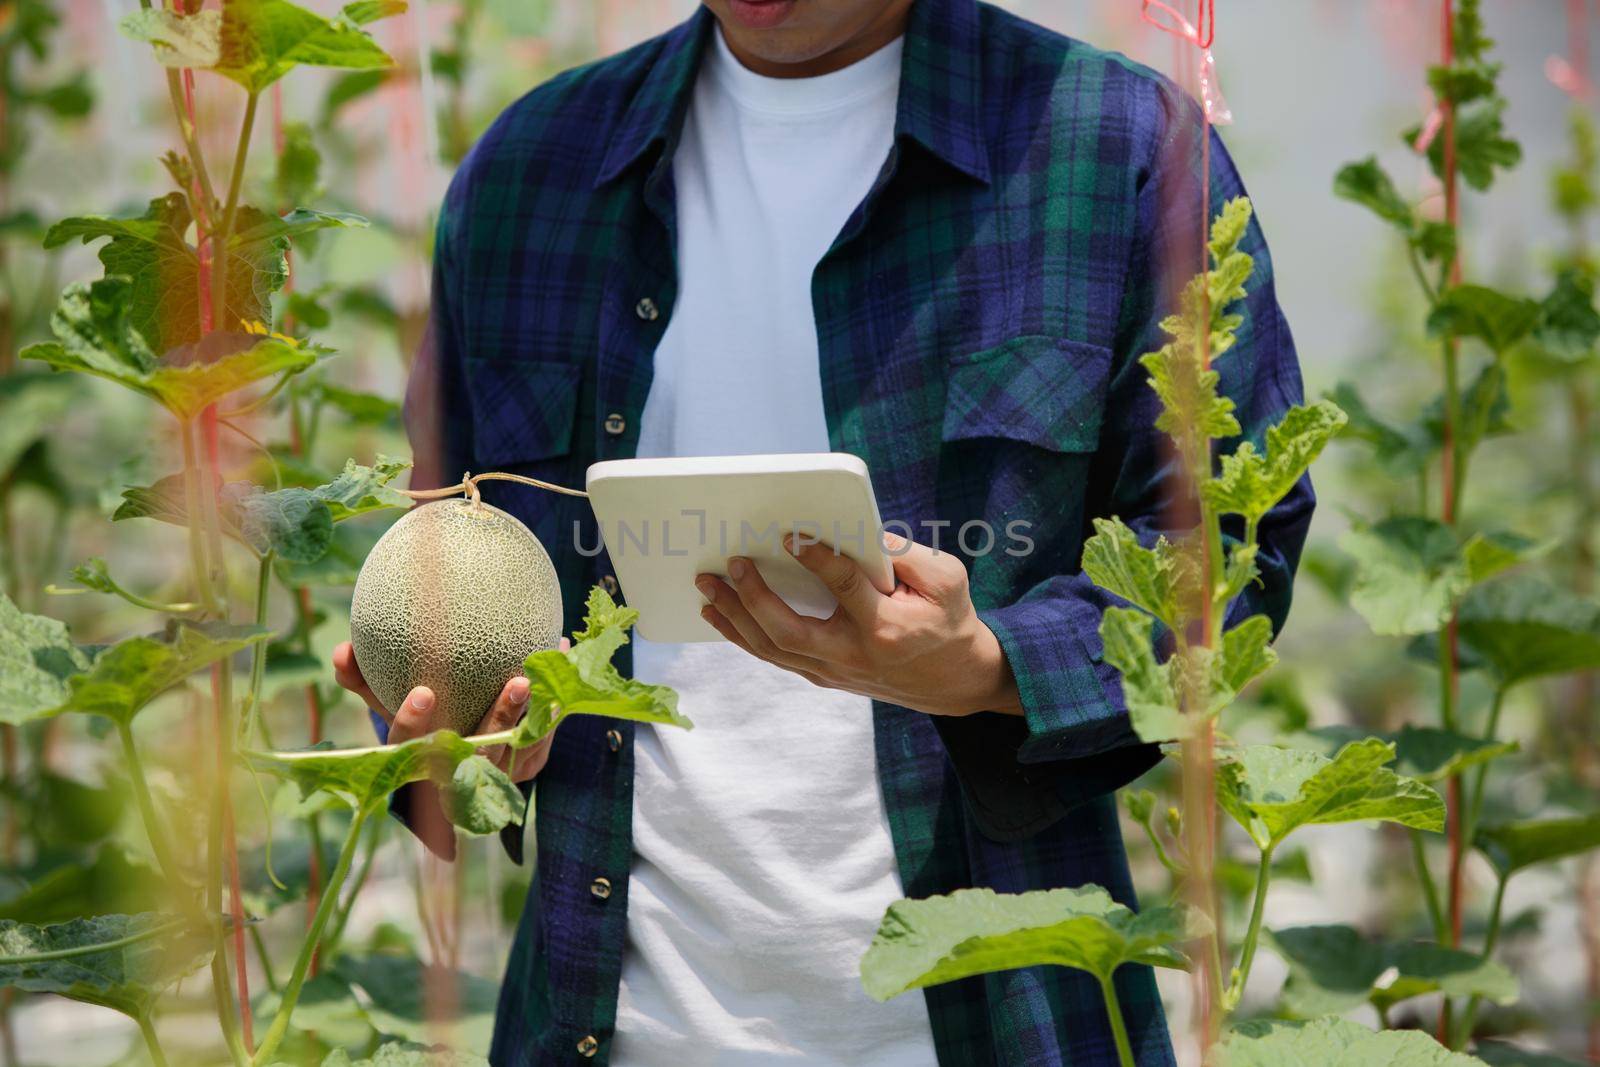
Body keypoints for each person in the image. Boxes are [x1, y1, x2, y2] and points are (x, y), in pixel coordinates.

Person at [330, 0, 1314, 1063]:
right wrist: (462, 738)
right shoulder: (534, 168)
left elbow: (1229, 546)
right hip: (605, 1028)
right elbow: (454, 553)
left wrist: (987, 666)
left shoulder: (1118, 147)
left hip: (995, 1022)